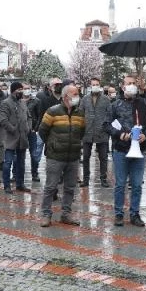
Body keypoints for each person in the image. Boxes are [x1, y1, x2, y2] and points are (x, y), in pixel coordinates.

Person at [105, 75, 146, 227]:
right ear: (123, 87)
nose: (132, 86)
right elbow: (107, 124)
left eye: (134, 83)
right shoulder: (115, 105)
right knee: (120, 184)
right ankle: (119, 214)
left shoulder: (144, 104)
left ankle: (135, 214)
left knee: (137, 185)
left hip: (139, 151)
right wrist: (120, 134)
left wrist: (145, 134)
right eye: (129, 84)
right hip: (121, 150)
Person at [39, 83, 85, 227]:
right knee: (50, 186)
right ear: (66, 97)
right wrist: (53, 144)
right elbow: (42, 131)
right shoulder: (52, 111)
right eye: (75, 94)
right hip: (55, 156)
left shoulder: (80, 113)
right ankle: (46, 214)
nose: (77, 97)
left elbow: (81, 132)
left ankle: (66, 214)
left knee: (70, 187)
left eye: (78, 94)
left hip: (73, 156)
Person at [0, 81, 31, 194]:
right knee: (8, 163)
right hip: (10, 138)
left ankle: (20, 184)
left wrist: (28, 128)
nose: (21, 92)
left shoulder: (22, 103)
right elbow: (3, 120)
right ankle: (7, 186)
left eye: (22, 89)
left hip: (22, 138)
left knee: (21, 163)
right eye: (19, 90)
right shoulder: (5, 103)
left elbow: (28, 117)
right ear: (13, 91)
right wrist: (13, 129)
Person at [81, 77, 111, 188]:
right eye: (93, 84)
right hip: (87, 132)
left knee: (103, 157)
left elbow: (109, 115)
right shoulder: (84, 99)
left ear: (100, 85)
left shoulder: (106, 99)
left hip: (102, 132)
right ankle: (85, 179)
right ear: (90, 86)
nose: (95, 86)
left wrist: (106, 127)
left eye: (97, 84)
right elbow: (80, 114)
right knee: (85, 157)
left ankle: (103, 178)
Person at [25, 83, 42, 182]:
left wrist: (35, 128)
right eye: (25, 88)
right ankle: (15, 174)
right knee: (18, 153)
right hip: (21, 131)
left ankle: (34, 173)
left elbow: (39, 116)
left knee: (34, 153)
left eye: (28, 88)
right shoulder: (18, 100)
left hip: (32, 131)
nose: (27, 90)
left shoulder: (36, 101)